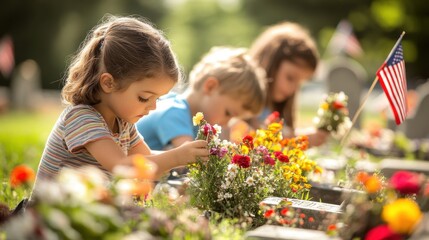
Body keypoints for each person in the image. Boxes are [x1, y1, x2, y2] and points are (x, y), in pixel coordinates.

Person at [31, 15, 209, 195]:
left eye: (158, 99)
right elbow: (121, 168)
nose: (153, 107)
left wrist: (186, 157)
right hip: (51, 214)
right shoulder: (81, 118)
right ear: (108, 83)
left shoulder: (123, 124)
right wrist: (178, 156)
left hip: (88, 212)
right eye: (144, 98)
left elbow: (145, 162)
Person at [135, 47, 266, 152]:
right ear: (210, 87)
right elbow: (193, 159)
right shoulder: (174, 112)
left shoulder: (193, 123)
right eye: (228, 113)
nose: (226, 124)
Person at [246, 21, 329, 147]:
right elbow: (256, 137)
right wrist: (298, 140)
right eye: (290, 78)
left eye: (300, 83)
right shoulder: (245, 102)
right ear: (269, 64)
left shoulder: (276, 107)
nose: (294, 88)